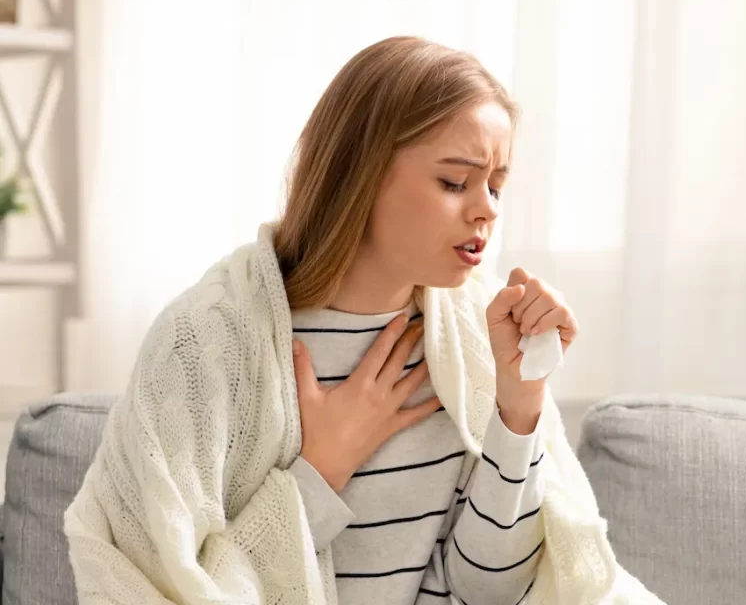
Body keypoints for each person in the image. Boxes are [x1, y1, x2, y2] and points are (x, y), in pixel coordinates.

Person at [64, 36, 663, 604]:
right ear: (362, 172)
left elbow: (489, 591)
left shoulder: (474, 340)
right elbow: (161, 583)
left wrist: (519, 404)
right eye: (455, 181)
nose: (486, 209)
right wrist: (319, 473)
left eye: (496, 186)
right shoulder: (206, 344)